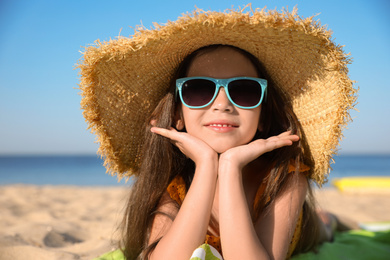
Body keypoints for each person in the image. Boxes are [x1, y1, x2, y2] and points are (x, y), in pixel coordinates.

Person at [77, 6, 357, 260]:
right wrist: (207, 165)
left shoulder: (285, 177)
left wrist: (231, 166)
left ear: (262, 119)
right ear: (177, 116)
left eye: (244, 91)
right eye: (199, 89)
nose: (222, 104)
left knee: (325, 225)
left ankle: (329, 220)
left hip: (313, 229)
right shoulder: (173, 187)